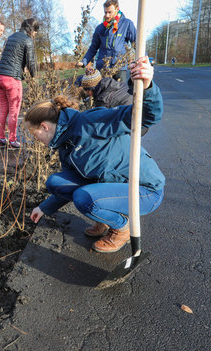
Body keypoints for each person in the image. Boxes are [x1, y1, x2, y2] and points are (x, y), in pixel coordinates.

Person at [26, 56, 164, 253]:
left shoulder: (90, 122)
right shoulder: (65, 145)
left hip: (143, 189)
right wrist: (44, 208)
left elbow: (147, 116)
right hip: (112, 186)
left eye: (34, 134)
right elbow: (71, 182)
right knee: (56, 182)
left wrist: (147, 85)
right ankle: (104, 217)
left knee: (84, 198)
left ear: (44, 126)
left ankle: (121, 228)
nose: (35, 139)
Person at [0, 18, 39, 149]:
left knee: (3, 110)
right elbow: (30, 62)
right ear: (31, 30)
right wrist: (34, 77)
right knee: (14, 111)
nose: (35, 34)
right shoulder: (28, 40)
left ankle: (2, 139)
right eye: (35, 31)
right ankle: (12, 141)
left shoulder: (10, 37)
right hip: (12, 79)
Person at [77, 0, 136, 83]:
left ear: (117, 9)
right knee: (102, 94)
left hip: (119, 69)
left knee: (119, 94)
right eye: (105, 12)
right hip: (103, 69)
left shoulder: (127, 24)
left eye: (110, 12)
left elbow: (136, 43)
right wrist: (84, 61)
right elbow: (93, 48)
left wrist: (143, 59)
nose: (107, 15)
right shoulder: (100, 28)